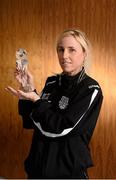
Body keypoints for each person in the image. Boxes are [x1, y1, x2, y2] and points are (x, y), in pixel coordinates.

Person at [6, 29, 103, 179]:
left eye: (72, 50)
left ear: (84, 54)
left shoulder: (90, 90)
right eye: (61, 49)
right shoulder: (51, 82)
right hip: (36, 171)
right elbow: (31, 122)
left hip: (67, 174)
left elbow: (61, 129)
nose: (64, 56)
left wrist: (36, 100)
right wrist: (27, 91)